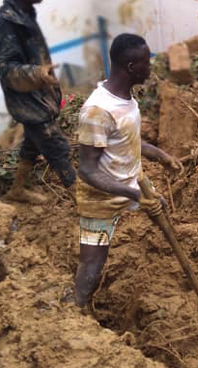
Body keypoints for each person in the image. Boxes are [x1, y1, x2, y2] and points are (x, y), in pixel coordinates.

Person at [74, 34, 183, 309]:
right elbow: (87, 170)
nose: (152, 67)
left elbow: (126, 139)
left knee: (162, 214)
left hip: (134, 185)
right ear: (132, 67)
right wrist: (132, 194)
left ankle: (173, 271)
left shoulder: (125, 99)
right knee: (92, 262)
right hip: (102, 199)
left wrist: (162, 156)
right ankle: (78, 310)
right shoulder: (97, 111)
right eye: (148, 62)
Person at [0, 0, 76, 204]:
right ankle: (86, 203)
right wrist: (38, 73)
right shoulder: (8, 23)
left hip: (38, 97)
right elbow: (4, 67)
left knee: (32, 145)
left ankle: (17, 190)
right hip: (28, 101)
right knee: (57, 148)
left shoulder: (25, 12)